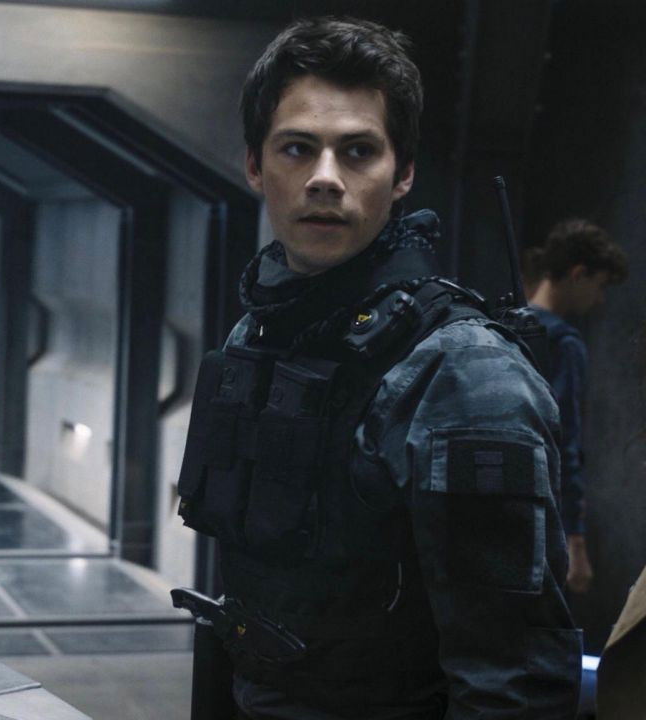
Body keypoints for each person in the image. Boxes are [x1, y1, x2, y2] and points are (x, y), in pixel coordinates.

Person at [176, 17, 581, 718]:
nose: (325, 178)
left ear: (403, 176)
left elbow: (513, 680)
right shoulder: (263, 331)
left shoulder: (462, 373)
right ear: (254, 166)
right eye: (297, 148)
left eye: (358, 151)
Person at [525, 219, 628, 594]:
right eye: (600, 286)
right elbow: (563, 439)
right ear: (578, 274)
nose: (599, 300)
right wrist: (576, 539)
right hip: (542, 512)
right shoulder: (564, 344)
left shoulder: (500, 325)